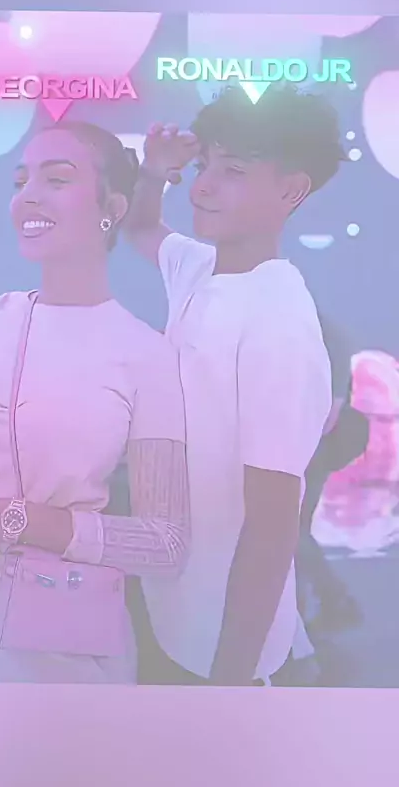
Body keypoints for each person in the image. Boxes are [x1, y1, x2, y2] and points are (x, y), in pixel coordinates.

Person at [0, 121, 189, 684]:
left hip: (61, 649)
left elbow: (165, 543)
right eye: (21, 182)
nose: (29, 197)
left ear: (111, 208)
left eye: (57, 179)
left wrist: (16, 520)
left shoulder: (147, 355)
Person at [123, 84, 341, 686]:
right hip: (169, 608)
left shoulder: (279, 321)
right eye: (203, 167)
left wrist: (228, 687)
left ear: (291, 190)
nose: (203, 188)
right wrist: (154, 172)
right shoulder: (199, 265)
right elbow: (141, 228)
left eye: (234, 172)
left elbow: (272, 526)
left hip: (221, 650)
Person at [296, 313, 369, 634]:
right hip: (308, 447)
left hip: (309, 448)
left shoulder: (321, 333)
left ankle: (333, 601)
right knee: (293, 530)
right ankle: (305, 607)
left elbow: (331, 412)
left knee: (291, 530)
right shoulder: (318, 332)